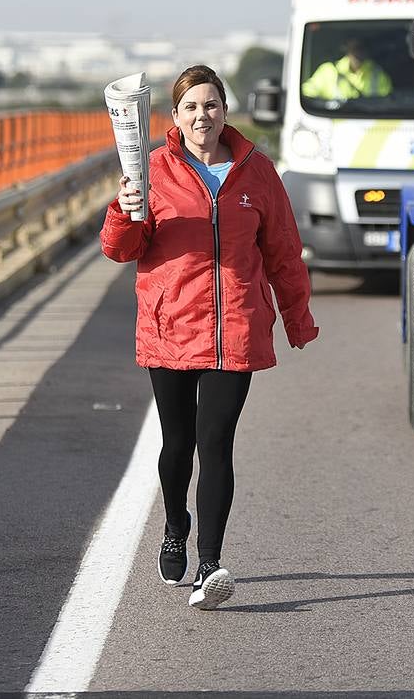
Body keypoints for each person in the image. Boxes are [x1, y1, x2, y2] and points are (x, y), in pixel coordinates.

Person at [99, 64, 319, 611]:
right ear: (175, 116)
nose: (203, 115)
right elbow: (119, 249)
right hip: (171, 326)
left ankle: (210, 565)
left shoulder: (257, 171)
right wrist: (126, 212)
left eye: (212, 105)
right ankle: (175, 526)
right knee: (178, 446)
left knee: (216, 443)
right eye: (192, 107)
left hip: (236, 329)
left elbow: (284, 252)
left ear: (226, 111)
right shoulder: (151, 170)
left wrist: (297, 318)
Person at [301, 37, 393, 101]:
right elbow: (307, 93)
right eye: (354, 48)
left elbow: (388, 103)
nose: (358, 52)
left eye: (361, 47)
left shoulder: (378, 74)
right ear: (346, 49)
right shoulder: (328, 71)